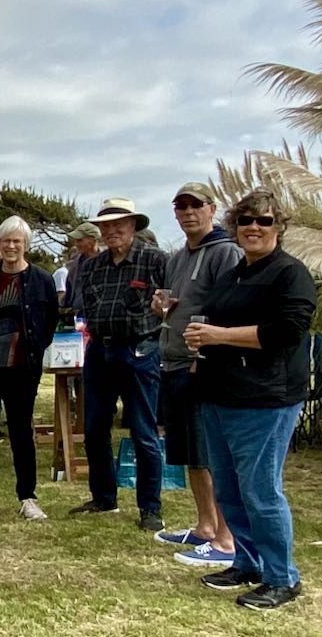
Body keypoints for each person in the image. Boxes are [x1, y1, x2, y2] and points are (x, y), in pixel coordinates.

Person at [183, 190, 317, 610]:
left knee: (261, 490)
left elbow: (286, 332)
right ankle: (247, 561)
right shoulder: (235, 273)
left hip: (266, 400)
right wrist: (199, 340)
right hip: (219, 395)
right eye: (245, 221)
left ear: (279, 227)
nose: (254, 228)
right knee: (229, 487)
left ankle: (282, 577)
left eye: (264, 221)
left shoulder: (290, 274)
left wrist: (219, 335)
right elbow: (215, 322)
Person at [154, 182, 243, 568]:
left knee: (210, 455)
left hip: (204, 366)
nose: (188, 212)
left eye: (195, 205)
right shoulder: (177, 258)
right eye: (181, 206)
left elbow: (232, 308)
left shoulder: (225, 253)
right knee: (190, 453)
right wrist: (162, 307)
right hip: (173, 361)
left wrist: (204, 353)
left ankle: (226, 540)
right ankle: (205, 526)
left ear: (211, 209)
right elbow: (173, 306)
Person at [68, 197, 168, 531]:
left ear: (133, 226)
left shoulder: (155, 260)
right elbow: (88, 306)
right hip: (100, 350)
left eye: (118, 225)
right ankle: (104, 498)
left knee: (143, 431)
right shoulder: (92, 265)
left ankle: (150, 508)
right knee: (95, 428)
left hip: (139, 350)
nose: (112, 231)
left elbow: (168, 306)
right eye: (106, 226)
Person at [0, 219, 58, 522]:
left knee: (21, 433)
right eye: (6, 241)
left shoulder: (42, 280)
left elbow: (50, 322)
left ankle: (27, 497)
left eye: (17, 241)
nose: (11, 246)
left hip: (22, 369)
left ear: (26, 244)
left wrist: (35, 351)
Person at [57, 222, 101, 308]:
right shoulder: (74, 266)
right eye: (76, 241)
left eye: (80, 240)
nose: (76, 244)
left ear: (93, 240)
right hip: (78, 316)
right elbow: (70, 293)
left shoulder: (108, 261)